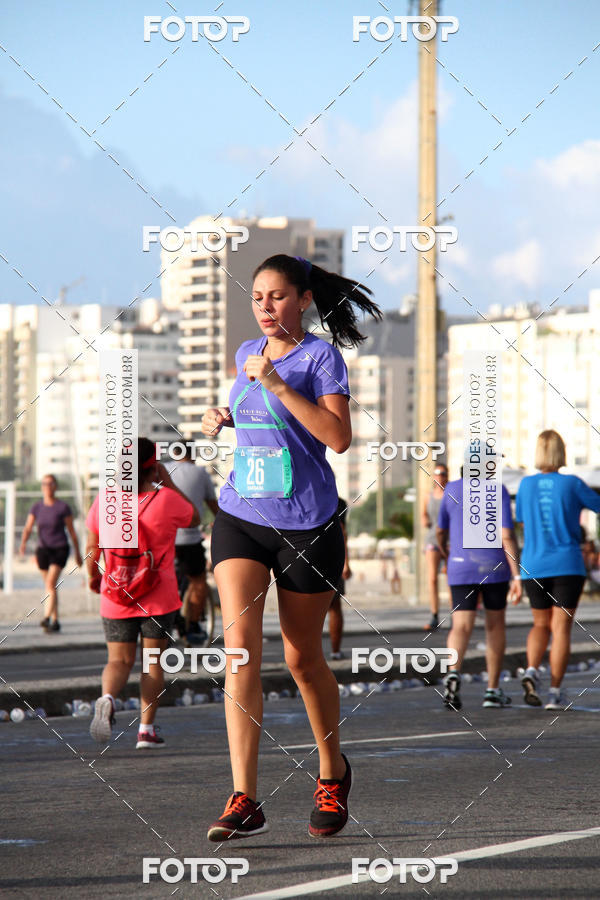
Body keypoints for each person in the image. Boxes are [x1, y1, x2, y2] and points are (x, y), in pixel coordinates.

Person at [202, 254, 381, 841]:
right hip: (241, 515)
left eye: (277, 296)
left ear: (302, 299)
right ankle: (244, 797)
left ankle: (332, 772)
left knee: (303, 660)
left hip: (308, 523)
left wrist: (277, 384)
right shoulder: (244, 355)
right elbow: (262, 420)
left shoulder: (321, 356)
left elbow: (337, 437)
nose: (266, 307)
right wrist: (226, 417)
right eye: (257, 297)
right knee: (240, 653)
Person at [86, 437, 199, 748]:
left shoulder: (106, 499)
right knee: (152, 663)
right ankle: (146, 731)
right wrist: (168, 482)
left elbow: (92, 547)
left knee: (119, 660)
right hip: (158, 595)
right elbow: (195, 516)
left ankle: (107, 697)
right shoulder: (166, 501)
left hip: (116, 592)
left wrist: (93, 578)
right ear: (153, 467)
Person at [516, 430, 600, 710]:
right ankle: (554, 693)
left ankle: (531, 670)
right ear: (561, 452)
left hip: (534, 564)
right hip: (567, 564)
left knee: (540, 624)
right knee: (561, 628)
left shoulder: (526, 485)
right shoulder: (572, 483)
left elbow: (524, 523)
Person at [437, 468, 522, 710]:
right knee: (494, 625)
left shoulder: (451, 489)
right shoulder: (497, 489)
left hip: (460, 566)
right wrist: (517, 575)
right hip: (493, 568)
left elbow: (440, 529)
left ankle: (453, 672)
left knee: (460, 626)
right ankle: (492, 691)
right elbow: (506, 534)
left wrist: (446, 551)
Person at [167, 445, 219, 645]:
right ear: (193, 455)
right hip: (189, 539)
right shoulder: (200, 473)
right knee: (198, 581)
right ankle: (194, 625)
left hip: (165, 540)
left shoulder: (163, 469)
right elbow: (213, 507)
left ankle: (161, 622)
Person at [18, 474, 83, 633]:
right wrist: (23, 543)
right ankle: (55, 620)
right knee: (51, 587)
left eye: (50, 483)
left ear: (56, 486)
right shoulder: (37, 507)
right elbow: (28, 527)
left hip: (60, 548)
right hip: (43, 550)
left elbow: (72, 532)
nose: (47, 486)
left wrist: (78, 553)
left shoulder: (63, 507)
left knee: (50, 584)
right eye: (44, 484)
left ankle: (46, 618)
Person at [422, 463, 449, 630]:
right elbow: (423, 515)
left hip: (450, 541)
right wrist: (425, 520)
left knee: (450, 578)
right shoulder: (428, 496)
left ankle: (455, 614)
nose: (440, 476)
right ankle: (434, 615)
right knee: (432, 578)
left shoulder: (451, 494)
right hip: (433, 539)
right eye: (437, 473)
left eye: (443, 473)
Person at [329, 497, 352, 660]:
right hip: (332, 558)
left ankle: (306, 653)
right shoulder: (338, 502)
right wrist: (346, 563)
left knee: (305, 609)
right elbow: (342, 532)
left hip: (308, 556)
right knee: (334, 606)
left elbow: (342, 531)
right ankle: (335, 651)